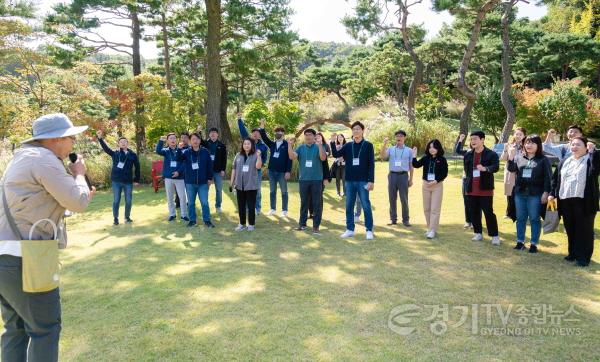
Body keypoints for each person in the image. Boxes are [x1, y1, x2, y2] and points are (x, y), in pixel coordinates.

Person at [0, 113, 94, 362]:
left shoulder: (21, 159)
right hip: (27, 260)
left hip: (5, 258)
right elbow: (79, 201)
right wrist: (80, 174)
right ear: (55, 139)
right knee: (45, 330)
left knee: (15, 329)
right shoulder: (44, 160)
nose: (73, 142)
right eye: (70, 136)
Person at [548, 137, 598, 267]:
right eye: (573, 145)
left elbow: (595, 170)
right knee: (570, 228)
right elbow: (555, 179)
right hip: (566, 200)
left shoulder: (590, 159)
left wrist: (593, 152)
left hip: (584, 201)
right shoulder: (565, 161)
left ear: (586, 147)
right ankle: (573, 253)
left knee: (584, 230)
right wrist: (552, 194)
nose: (574, 147)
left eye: (578, 145)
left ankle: (584, 258)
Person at [330, 121, 375, 240]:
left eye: (358, 129)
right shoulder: (348, 145)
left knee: (366, 205)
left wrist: (371, 181)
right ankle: (350, 229)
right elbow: (335, 154)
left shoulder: (368, 145)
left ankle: (369, 230)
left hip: (363, 181)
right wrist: (332, 142)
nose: (356, 131)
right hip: (349, 180)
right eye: (354, 129)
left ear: (362, 131)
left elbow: (371, 164)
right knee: (349, 205)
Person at [506, 135, 552, 253]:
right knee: (520, 218)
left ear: (538, 145)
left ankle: (533, 244)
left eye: (532, 143)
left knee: (534, 219)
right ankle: (520, 241)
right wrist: (511, 156)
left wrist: (546, 192)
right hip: (520, 193)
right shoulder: (519, 157)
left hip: (536, 193)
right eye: (527, 143)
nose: (529, 145)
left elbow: (548, 177)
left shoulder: (543, 159)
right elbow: (511, 169)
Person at [456, 131, 501, 245]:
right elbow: (466, 169)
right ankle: (478, 233)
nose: (473, 141)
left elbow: (495, 167)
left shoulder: (491, 154)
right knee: (474, 212)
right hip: (471, 188)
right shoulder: (469, 154)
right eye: (471, 139)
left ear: (482, 140)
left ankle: (494, 235)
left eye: (475, 139)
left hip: (485, 189)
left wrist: (485, 168)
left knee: (488, 213)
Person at [288, 129, 327, 234]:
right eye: (306, 135)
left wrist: (319, 146)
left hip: (316, 180)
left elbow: (323, 158)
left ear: (314, 136)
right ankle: (302, 224)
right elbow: (292, 156)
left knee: (317, 204)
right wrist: (289, 145)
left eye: (310, 135)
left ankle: (316, 226)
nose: (308, 137)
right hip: (303, 180)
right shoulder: (300, 148)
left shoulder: (319, 147)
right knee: (304, 203)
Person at [97, 130, 140, 226]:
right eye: (121, 142)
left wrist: (136, 179)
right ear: (118, 144)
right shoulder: (115, 153)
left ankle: (127, 217)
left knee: (128, 201)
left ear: (127, 143)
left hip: (128, 181)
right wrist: (100, 139)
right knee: (116, 200)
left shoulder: (132, 155)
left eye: (125, 142)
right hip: (116, 181)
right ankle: (115, 218)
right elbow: (106, 149)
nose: (123, 143)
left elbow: (137, 167)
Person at [411, 140, 448, 239]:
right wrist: (414, 156)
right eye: (430, 147)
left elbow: (444, 173)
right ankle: (429, 228)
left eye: (434, 147)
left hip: (437, 186)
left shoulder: (442, 159)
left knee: (435, 209)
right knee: (426, 209)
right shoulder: (426, 158)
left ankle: (432, 230)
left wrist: (436, 181)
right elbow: (416, 165)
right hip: (426, 185)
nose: (432, 149)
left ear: (438, 148)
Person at [176, 133, 215, 228]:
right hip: (190, 183)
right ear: (190, 141)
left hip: (203, 183)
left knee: (204, 203)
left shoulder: (205, 152)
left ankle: (207, 220)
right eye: (193, 139)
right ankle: (192, 221)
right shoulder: (186, 152)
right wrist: (179, 149)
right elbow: (178, 158)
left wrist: (210, 178)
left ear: (200, 140)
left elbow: (209, 166)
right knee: (191, 203)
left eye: (197, 139)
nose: (195, 141)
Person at [379, 130, 414, 226]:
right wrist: (384, 144)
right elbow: (382, 156)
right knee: (392, 198)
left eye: (401, 136)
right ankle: (393, 219)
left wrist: (411, 179)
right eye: (397, 136)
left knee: (404, 199)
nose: (399, 137)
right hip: (392, 175)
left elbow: (411, 166)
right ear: (395, 138)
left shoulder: (409, 150)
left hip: (403, 176)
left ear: (404, 138)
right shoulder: (391, 149)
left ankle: (406, 220)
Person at [258, 120, 292, 217]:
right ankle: (273, 209)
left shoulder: (287, 144)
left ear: (283, 134)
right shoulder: (272, 144)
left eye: (280, 131)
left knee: (284, 191)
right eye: (277, 132)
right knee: (272, 191)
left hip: (282, 172)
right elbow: (264, 138)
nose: (278, 133)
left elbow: (290, 159)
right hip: (272, 171)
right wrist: (262, 127)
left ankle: (284, 210)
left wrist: (288, 171)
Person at [237, 113, 268, 214]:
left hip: (256, 171)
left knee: (257, 190)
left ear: (260, 134)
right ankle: (247, 208)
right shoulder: (248, 141)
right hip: (245, 170)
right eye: (254, 132)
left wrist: (260, 164)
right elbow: (243, 131)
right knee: (245, 189)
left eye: (257, 132)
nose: (255, 134)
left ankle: (257, 208)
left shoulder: (263, 146)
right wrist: (239, 120)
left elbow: (264, 158)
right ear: (251, 134)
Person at [230, 138, 263, 231]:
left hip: (251, 185)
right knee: (241, 206)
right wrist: (231, 182)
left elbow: (258, 166)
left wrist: (259, 156)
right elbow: (234, 169)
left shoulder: (255, 155)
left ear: (252, 145)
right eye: (245, 144)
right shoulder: (238, 155)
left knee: (251, 206)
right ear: (242, 145)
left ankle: (251, 224)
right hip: (239, 185)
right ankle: (241, 224)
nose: (246, 145)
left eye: (248, 144)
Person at [156, 133, 189, 222]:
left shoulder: (181, 150)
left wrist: (178, 172)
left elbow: (184, 163)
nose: (172, 140)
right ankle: (172, 214)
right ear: (168, 141)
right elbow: (158, 151)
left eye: (174, 138)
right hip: (168, 178)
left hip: (179, 177)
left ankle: (184, 215)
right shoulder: (165, 151)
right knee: (170, 197)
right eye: (170, 138)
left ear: (176, 140)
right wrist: (160, 141)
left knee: (182, 197)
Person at [500, 128, 526, 219]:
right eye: (516, 134)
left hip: (522, 172)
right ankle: (509, 213)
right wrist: (505, 149)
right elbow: (503, 158)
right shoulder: (509, 145)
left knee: (521, 193)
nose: (518, 136)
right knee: (510, 193)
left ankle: (521, 213)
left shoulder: (526, 146)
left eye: (520, 134)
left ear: (524, 136)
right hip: (510, 172)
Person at [201, 128, 227, 214]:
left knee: (219, 190)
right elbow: (199, 140)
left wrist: (223, 169)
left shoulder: (222, 145)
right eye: (211, 133)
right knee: (205, 189)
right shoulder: (205, 143)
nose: (213, 134)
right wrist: (199, 131)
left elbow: (224, 159)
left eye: (215, 133)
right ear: (209, 134)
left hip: (218, 171)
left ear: (217, 134)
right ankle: (205, 206)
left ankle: (218, 206)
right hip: (207, 171)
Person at [308, 133, 331, 219]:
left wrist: (326, 178)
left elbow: (325, 165)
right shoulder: (309, 148)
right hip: (309, 177)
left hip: (320, 178)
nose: (316, 139)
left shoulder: (322, 149)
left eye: (318, 138)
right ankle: (311, 213)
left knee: (318, 197)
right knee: (309, 196)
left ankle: (318, 214)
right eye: (315, 138)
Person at [174, 132, 190, 210]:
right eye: (182, 137)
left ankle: (188, 202)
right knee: (178, 188)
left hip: (187, 172)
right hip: (178, 172)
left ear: (188, 139)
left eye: (185, 138)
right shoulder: (177, 148)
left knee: (188, 188)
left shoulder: (190, 148)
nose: (183, 139)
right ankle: (177, 203)